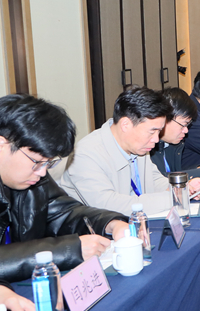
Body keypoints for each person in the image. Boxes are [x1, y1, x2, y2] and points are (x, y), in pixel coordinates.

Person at [0, 94, 130, 287]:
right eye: (37, 162)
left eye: (49, 163)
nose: (42, 172)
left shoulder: (32, 177)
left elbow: (65, 212)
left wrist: (110, 223)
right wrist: (68, 250)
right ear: (2, 144)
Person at [60, 86, 200, 216]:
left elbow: (155, 180)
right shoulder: (86, 154)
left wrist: (184, 188)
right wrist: (174, 197)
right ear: (125, 124)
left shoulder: (138, 146)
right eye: (152, 132)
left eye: (159, 132)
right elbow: (110, 206)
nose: (156, 139)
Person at [150, 88, 200, 181]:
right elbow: (160, 181)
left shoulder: (172, 145)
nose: (186, 130)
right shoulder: (148, 146)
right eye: (183, 125)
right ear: (165, 119)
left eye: (187, 125)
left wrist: (199, 169)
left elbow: (174, 174)